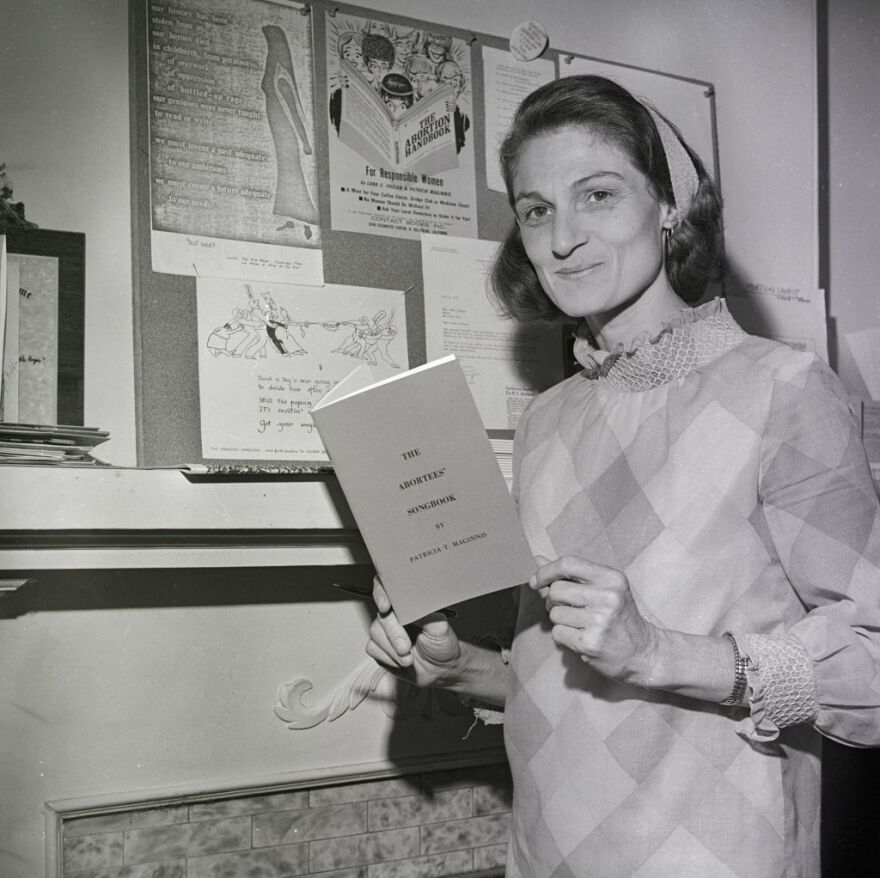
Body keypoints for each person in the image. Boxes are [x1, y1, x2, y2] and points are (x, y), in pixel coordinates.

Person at [367, 74, 880, 878]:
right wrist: (456, 664)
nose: (562, 238)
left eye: (597, 195)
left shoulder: (785, 389)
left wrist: (660, 653)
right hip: (548, 852)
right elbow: (567, 687)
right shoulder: (546, 421)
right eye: (537, 210)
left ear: (670, 204)